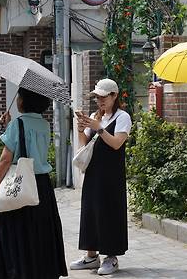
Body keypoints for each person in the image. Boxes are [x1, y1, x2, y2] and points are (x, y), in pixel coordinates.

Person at [0, 87, 68, 279]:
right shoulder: (44, 124)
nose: (17, 100)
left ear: (24, 102)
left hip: (20, 183)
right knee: (39, 233)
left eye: (19, 96)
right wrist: (10, 125)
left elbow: (6, 159)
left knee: (17, 233)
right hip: (42, 186)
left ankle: (19, 272)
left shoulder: (18, 124)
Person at [71, 78, 132, 275]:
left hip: (111, 175)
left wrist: (99, 128)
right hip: (93, 172)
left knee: (110, 212)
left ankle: (111, 257)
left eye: (103, 97)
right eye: (97, 97)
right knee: (90, 212)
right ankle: (91, 256)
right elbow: (84, 145)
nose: (100, 101)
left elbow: (116, 144)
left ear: (114, 96)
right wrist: (81, 129)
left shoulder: (123, 117)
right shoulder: (95, 117)